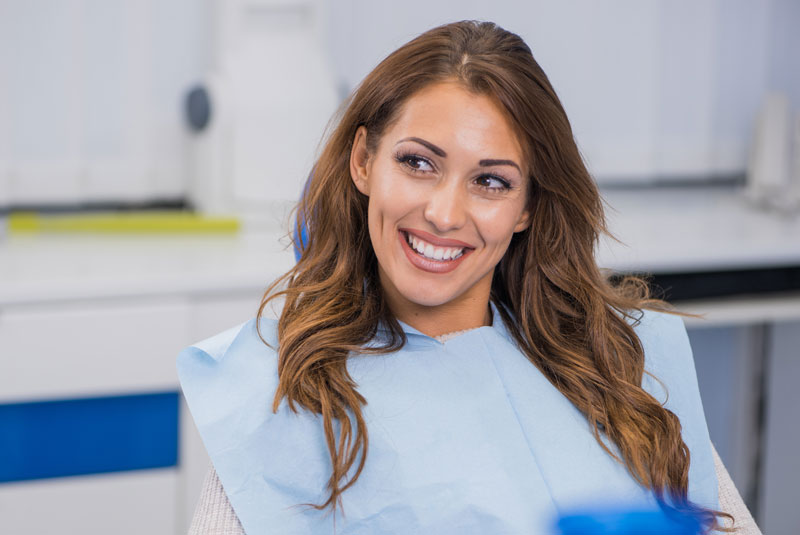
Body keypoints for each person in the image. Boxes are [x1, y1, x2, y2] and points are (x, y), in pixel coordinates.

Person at [178, 20, 760, 535]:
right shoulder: (280, 391)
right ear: (363, 161)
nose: (445, 214)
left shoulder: (615, 367)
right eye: (418, 163)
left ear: (527, 206)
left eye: (491, 182)